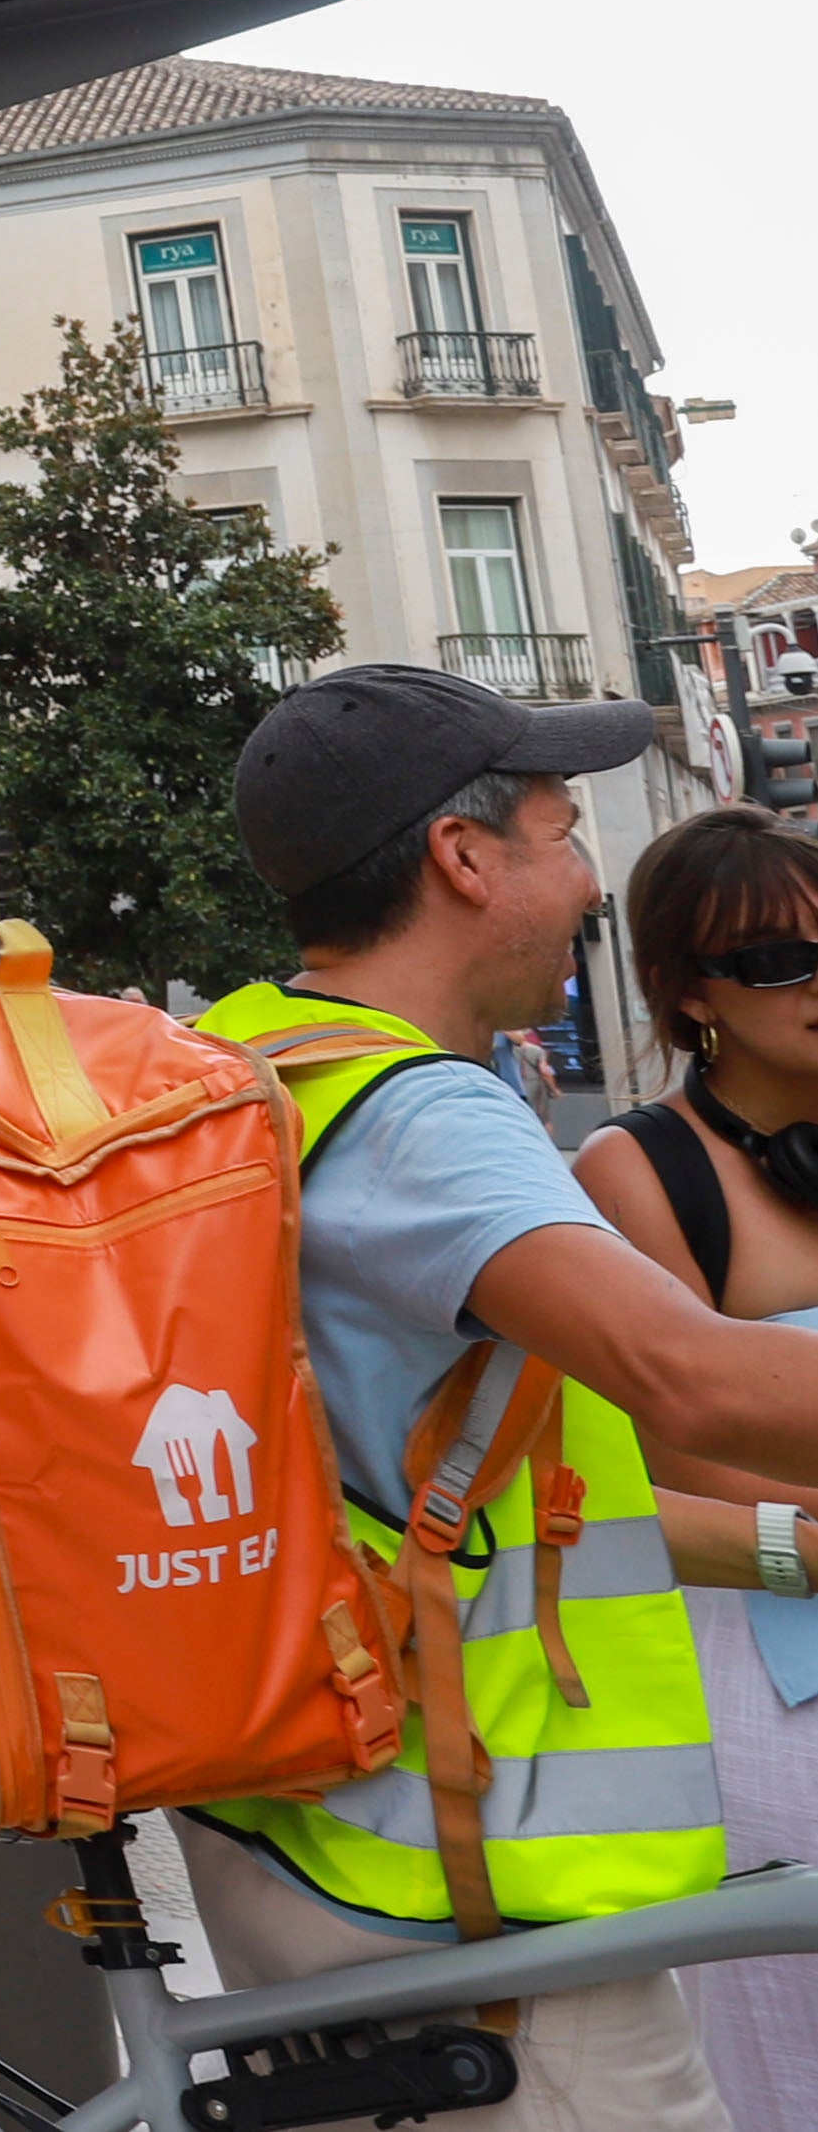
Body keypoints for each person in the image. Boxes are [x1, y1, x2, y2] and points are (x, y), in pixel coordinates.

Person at [178, 666, 818, 2132]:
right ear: (464, 861)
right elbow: (686, 1373)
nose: (591, 877)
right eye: (563, 826)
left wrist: (786, 1547)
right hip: (481, 1899)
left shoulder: (261, 1051)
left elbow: (493, 1496)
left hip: (325, 1832)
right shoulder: (422, 1111)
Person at [577, 807, 818, 2112]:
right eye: (781, 960)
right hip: (776, 1648)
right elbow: (681, 1447)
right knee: (788, 2038)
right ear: (687, 988)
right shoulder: (637, 1166)